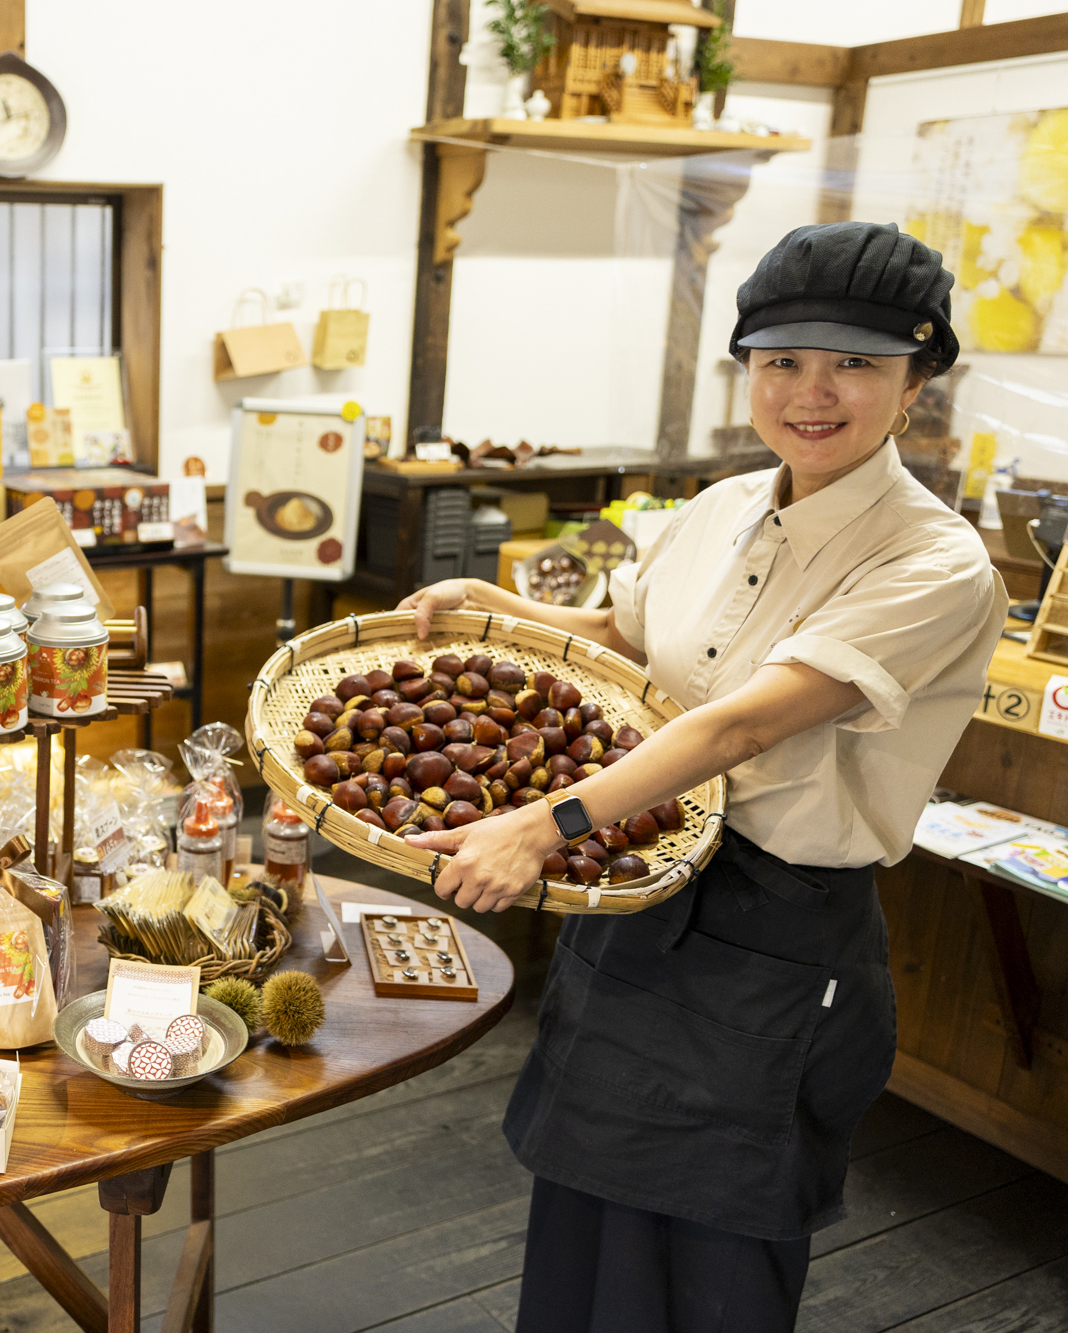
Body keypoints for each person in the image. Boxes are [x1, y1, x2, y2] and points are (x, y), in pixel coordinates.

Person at [396, 221, 1006, 1332]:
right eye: (780, 360)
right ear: (746, 370)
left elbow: (738, 726)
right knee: (581, 1231)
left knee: (712, 1257)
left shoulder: (931, 559)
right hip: (640, 888)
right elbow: (632, 643)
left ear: (916, 381)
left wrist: (543, 821)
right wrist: (499, 612)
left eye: (854, 364)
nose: (809, 393)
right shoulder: (719, 508)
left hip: (776, 938)